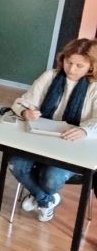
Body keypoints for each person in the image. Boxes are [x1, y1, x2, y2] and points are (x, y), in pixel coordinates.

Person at [8, 38, 97, 222]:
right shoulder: (50, 76)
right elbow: (21, 102)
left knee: (51, 177)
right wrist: (26, 112)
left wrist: (85, 130)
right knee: (16, 164)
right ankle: (46, 199)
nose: (71, 69)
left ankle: (39, 194)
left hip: (74, 147)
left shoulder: (95, 87)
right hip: (41, 141)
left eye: (79, 65)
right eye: (68, 62)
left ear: (90, 66)